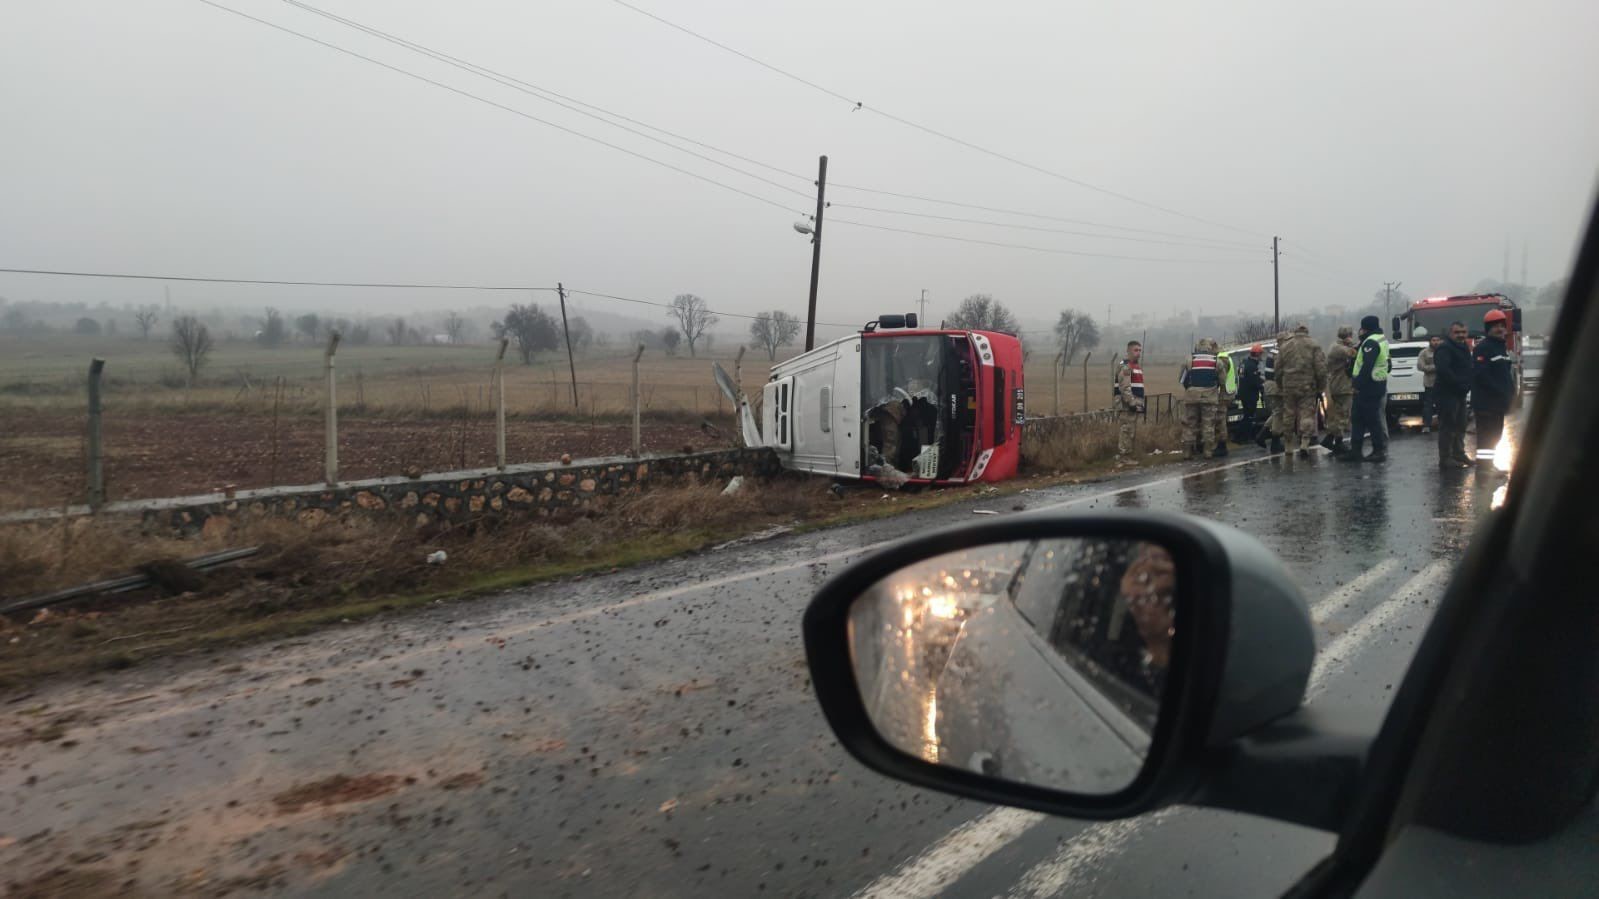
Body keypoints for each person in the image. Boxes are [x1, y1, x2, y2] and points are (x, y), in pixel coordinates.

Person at [1340, 315, 1390, 463]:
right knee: (1358, 418)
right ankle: (1356, 451)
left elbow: (1367, 366)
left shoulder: (1371, 343)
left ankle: (1378, 450)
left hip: (1369, 386)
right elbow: (1388, 364)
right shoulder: (1381, 340)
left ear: (1365, 328)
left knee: (1371, 419)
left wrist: (1357, 385)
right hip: (1377, 384)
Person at [1275, 324, 1327, 458]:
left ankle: (1288, 445)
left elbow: (1278, 369)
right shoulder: (1314, 345)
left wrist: (1280, 385)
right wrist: (1321, 386)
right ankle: (1304, 442)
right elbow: (1321, 369)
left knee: (1289, 414)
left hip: (1289, 385)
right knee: (1306, 414)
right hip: (1307, 385)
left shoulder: (1285, 346)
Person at [1472, 309, 1516, 463]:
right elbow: (1481, 375)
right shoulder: (1483, 348)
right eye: (1495, 326)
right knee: (1486, 439)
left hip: (1497, 404)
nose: (1499, 329)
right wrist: (1500, 392)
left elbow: (1504, 374)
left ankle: (1489, 466)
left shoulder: (1500, 347)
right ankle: (1484, 469)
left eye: (1501, 326)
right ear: (1488, 329)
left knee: (1495, 437)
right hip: (1486, 404)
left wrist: (1510, 393)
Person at [1434, 320, 1473, 469]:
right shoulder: (1445, 348)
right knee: (1448, 427)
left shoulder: (1464, 347)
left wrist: (1467, 385)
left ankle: (1459, 453)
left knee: (1461, 425)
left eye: (1463, 332)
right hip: (1447, 394)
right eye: (1457, 332)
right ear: (1450, 333)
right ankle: (1445, 458)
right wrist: (1460, 385)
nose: (1461, 335)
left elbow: (1468, 367)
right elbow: (1444, 371)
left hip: (1460, 393)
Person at [1178, 338, 1220, 459]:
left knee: (1189, 424)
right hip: (1209, 396)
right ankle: (1207, 451)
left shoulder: (1189, 359)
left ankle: (1187, 452)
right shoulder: (1216, 361)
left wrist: (1191, 388)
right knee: (1208, 424)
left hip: (1191, 396)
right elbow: (1221, 380)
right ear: (1209, 348)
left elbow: (1182, 379)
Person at [1321, 327, 1356, 455]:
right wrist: (1354, 345)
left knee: (1337, 415)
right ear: (1346, 336)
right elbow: (1353, 353)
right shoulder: (1337, 348)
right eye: (1350, 335)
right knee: (1343, 414)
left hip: (1340, 384)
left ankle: (1330, 439)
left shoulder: (1336, 346)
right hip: (1341, 385)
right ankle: (1338, 441)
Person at [1114, 340, 1146, 466]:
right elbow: (1125, 388)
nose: (1138, 353)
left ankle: (1127, 455)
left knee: (1131, 430)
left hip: (1135, 402)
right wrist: (1132, 402)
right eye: (1135, 350)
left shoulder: (1136, 366)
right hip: (1126, 404)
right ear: (1128, 351)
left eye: (1139, 350)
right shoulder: (1126, 366)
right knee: (1126, 430)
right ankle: (1124, 457)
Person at [1255, 340, 1286, 454]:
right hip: (1275, 385)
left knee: (1276, 412)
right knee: (1279, 413)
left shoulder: (1273, 351)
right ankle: (1275, 441)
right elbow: (1280, 372)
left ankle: (1262, 435)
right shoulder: (1279, 353)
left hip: (1270, 385)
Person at [1210, 341, 1235, 456]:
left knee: (1220, 419)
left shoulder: (1221, 360)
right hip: (1227, 392)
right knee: (1221, 418)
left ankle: (1222, 445)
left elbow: (1221, 379)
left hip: (1223, 394)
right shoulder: (1225, 357)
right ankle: (1221, 443)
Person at [1237, 344, 1265, 437]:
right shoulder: (1252, 366)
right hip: (1250, 395)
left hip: (1243, 393)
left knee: (1246, 415)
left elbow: (1241, 376)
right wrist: (1262, 385)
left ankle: (1242, 435)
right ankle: (1243, 436)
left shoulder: (1243, 363)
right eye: (1261, 354)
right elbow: (1255, 382)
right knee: (1249, 416)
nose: (1261, 356)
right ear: (1257, 354)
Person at [1418, 335, 1441, 434]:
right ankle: (1426, 425)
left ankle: (1443, 424)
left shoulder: (1444, 352)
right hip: (1430, 383)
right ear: (1430, 341)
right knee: (1428, 405)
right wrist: (1436, 367)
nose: (1435, 342)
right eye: (1433, 340)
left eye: (1437, 340)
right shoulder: (1424, 353)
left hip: (1443, 383)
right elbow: (1421, 366)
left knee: (1442, 404)